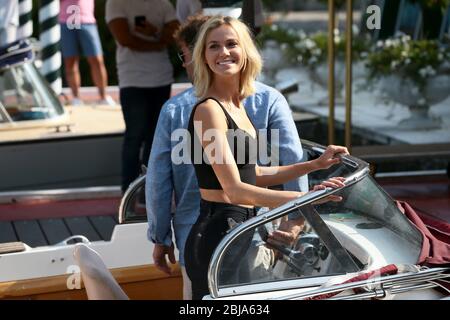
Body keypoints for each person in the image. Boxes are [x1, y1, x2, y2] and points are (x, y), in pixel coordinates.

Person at [145, 15, 309, 300]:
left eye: (230, 44)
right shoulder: (268, 101)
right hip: (253, 234)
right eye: (212, 47)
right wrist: (296, 216)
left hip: (197, 236)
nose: (187, 64)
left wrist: (161, 237)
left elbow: (159, 180)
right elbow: (286, 158)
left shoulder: (174, 110)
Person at [184, 15, 348, 300]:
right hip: (219, 234)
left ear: (245, 51)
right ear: (204, 57)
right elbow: (234, 190)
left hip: (242, 230)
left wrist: (314, 165)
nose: (223, 52)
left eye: (231, 44)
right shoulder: (208, 110)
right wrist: (307, 199)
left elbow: (253, 174)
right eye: (213, 46)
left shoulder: (236, 106)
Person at [106, 0, 180, 192]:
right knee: (135, 136)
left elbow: (175, 32)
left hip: (161, 78)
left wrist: (154, 34)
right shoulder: (115, 3)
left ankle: (149, 191)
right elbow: (125, 39)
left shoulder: (163, 4)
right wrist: (158, 40)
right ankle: (128, 192)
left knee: (155, 138)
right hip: (132, 80)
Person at [59, 0, 115, 106]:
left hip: (87, 20)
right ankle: (76, 98)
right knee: (70, 62)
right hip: (65, 21)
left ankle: (103, 97)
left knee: (97, 60)